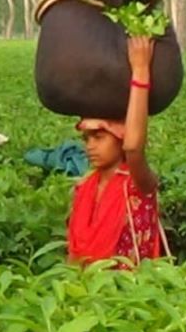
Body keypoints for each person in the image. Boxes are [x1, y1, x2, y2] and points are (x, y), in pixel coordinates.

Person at [67, 36, 165, 266]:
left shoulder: (138, 184)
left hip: (127, 297)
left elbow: (133, 148)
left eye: (99, 137)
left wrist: (140, 70)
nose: (90, 146)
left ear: (120, 137)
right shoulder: (85, 188)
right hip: (87, 293)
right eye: (87, 138)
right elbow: (72, 256)